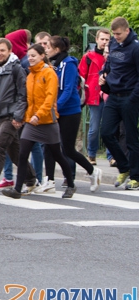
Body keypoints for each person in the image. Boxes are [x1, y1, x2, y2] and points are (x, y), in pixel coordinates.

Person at [3, 44, 76, 199]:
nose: (30, 58)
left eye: (34, 56)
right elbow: (28, 100)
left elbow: (50, 99)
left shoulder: (49, 73)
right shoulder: (30, 76)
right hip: (32, 121)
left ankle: (70, 184)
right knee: (23, 154)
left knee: (57, 154)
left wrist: (39, 115)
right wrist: (24, 117)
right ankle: (17, 189)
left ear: (42, 56)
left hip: (48, 121)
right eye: (29, 56)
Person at [39, 36, 101, 193]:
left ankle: (93, 171)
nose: (45, 49)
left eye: (48, 46)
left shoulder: (69, 64)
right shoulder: (53, 64)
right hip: (55, 111)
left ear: (57, 49)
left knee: (68, 149)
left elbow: (68, 89)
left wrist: (56, 108)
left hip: (69, 112)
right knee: (49, 145)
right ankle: (50, 180)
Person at [0, 38, 37, 196]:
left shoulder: (16, 69)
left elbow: (22, 94)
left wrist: (18, 116)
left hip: (11, 116)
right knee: (14, 151)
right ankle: (31, 180)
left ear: (10, 51)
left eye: (3, 50)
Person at [100, 17, 139, 190]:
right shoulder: (114, 45)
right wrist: (103, 74)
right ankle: (124, 168)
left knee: (131, 137)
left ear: (127, 31)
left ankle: (136, 176)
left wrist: (133, 98)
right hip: (113, 96)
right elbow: (109, 66)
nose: (116, 37)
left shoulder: (136, 48)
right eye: (114, 34)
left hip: (130, 96)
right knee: (106, 132)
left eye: (118, 34)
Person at [80, 29, 110, 164]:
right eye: (102, 39)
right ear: (97, 40)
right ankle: (91, 154)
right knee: (94, 128)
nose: (104, 42)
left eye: (107, 39)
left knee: (110, 126)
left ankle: (111, 156)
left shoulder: (112, 55)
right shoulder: (88, 57)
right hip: (94, 95)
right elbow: (81, 76)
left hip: (110, 94)